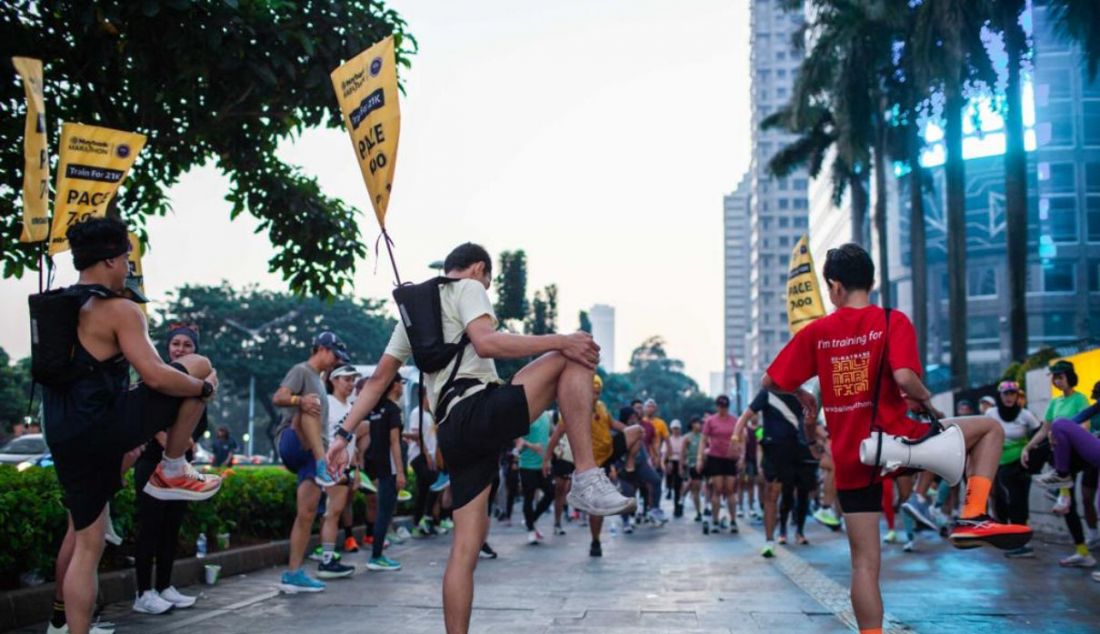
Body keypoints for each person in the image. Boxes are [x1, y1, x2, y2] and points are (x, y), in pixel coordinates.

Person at [326, 243, 634, 634]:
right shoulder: (469, 287)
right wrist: (561, 339)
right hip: (476, 410)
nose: (485, 289)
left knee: (464, 550)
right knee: (575, 355)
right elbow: (487, 342)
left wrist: (341, 434)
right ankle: (586, 475)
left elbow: (376, 383)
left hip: (453, 432)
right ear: (478, 269)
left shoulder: (411, 318)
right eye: (487, 280)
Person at [762, 243, 1030, 634]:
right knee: (989, 428)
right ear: (870, 281)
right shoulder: (891, 320)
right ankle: (972, 514)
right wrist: (924, 401)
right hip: (900, 440)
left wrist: (802, 394)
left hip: (853, 456)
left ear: (834, 287)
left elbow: (770, 381)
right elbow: (904, 378)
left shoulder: (817, 332)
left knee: (864, 565)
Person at [42, 218, 222, 634]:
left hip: (64, 434)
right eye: (125, 257)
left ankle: (67, 627)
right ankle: (173, 468)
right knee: (199, 365)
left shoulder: (62, 306)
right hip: (103, 426)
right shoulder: (121, 309)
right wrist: (202, 388)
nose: (127, 266)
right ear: (110, 259)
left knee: (87, 544)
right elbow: (157, 376)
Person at [131, 324, 209, 615]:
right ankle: (143, 593)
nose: (180, 349)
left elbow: (200, 421)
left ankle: (164, 586)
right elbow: (146, 421)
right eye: (176, 344)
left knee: (170, 530)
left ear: (195, 351)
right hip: (152, 465)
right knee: (149, 530)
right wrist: (167, 439)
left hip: (180, 466)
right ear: (168, 348)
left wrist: (189, 439)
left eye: (187, 346)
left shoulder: (194, 386)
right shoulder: (155, 379)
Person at [273, 331, 350, 593]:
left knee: (306, 514)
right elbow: (279, 397)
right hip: (296, 441)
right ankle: (321, 463)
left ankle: (293, 573)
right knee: (311, 403)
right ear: (321, 348)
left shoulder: (319, 379)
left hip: (315, 450)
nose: (336, 361)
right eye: (335, 355)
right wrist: (299, 399)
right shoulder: (302, 371)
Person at [544, 375, 644, 557]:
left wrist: (626, 431)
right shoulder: (574, 409)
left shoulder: (602, 407)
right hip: (590, 462)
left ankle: (629, 467)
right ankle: (595, 540)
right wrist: (546, 459)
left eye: (598, 393)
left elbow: (613, 424)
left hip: (609, 450)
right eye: (593, 393)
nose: (595, 396)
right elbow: (556, 435)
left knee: (638, 430)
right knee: (597, 507)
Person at [1022, 360, 1095, 567]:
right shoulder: (1055, 403)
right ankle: (1082, 551)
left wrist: (1064, 436)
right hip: (1061, 456)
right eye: (1054, 378)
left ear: (1069, 378)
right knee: (1068, 507)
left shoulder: (1080, 399)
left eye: (1060, 377)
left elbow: (1085, 426)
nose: (1057, 381)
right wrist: (1027, 448)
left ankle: (1059, 489)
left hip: (1078, 453)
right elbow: (1044, 430)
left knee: (1058, 438)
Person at [735, 388, 816, 556]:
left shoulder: (802, 394)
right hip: (775, 450)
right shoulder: (766, 393)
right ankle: (770, 541)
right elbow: (745, 416)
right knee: (773, 495)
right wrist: (735, 436)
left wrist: (815, 443)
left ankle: (799, 531)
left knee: (802, 494)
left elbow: (811, 422)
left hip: (800, 449)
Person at [986, 381, 1042, 558]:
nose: (1009, 397)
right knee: (1001, 500)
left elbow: (1040, 433)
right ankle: (1010, 537)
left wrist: (1030, 453)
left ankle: (1022, 544)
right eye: (1006, 394)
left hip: (1020, 464)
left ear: (1017, 396)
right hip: (996, 463)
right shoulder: (991, 413)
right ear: (999, 396)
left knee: (1019, 502)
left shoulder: (1025, 415)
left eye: (1012, 394)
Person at [364, 375, 407, 571]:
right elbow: (394, 442)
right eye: (402, 383)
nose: (403, 387)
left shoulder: (375, 410)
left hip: (378, 465)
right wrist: (400, 471)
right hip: (389, 467)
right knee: (384, 513)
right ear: (395, 385)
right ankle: (376, 556)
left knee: (382, 511)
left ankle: (376, 553)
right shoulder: (392, 410)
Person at [326, 365, 362, 554]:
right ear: (333, 380)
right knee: (332, 513)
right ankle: (327, 557)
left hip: (346, 468)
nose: (351, 384)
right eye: (346, 379)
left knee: (338, 510)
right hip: (328, 467)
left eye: (353, 380)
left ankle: (329, 553)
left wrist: (356, 471)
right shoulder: (326, 403)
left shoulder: (352, 408)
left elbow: (352, 443)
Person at [698, 395, 740, 535]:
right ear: (717, 406)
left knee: (730, 489)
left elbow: (741, 439)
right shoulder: (710, 421)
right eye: (720, 406)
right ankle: (715, 521)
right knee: (717, 489)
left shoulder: (734, 420)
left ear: (728, 406)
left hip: (730, 458)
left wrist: (741, 456)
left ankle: (733, 520)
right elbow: (703, 440)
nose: (723, 409)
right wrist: (700, 458)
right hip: (715, 458)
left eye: (725, 406)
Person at [409, 387, 443, 538]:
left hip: (428, 456)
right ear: (424, 396)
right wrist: (427, 455)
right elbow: (416, 435)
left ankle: (420, 522)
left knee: (424, 490)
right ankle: (426, 518)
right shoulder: (417, 413)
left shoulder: (428, 415)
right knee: (434, 482)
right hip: (418, 455)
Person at [517, 411, 554, 544]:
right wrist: (531, 446)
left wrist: (554, 450)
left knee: (551, 492)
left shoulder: (546, 416)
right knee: (529, 496)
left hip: (543, 464)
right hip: (527, 464)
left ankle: (532, 519)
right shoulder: (527, 415)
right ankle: (531, 529)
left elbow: (551, 435)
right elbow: (517, 439)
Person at [549, 412, 575, 535]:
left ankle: (568, 512)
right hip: (561, 458)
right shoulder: (556, 415)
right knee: (560, 491)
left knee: (568, 490)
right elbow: (554, 434)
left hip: (574, 458)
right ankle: (557, 522)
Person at [683, 417, 706, 522]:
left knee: (709, 486)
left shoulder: (704, 437)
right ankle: (698, 512)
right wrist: (682, 465)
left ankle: (708, 506)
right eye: (697, 423)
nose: (699, 425)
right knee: (696, 488)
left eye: (700, 423)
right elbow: (683, 453)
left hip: (705, 464)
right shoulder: (687, 437)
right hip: (693, 464)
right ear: (692, 424)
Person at [665, 420, 687, 517]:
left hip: (681, 463)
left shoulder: (683, 439)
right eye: (674, 429)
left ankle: (679, 506)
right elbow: (665, 453)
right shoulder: (668, 440)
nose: (676, 430)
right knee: (673, 485)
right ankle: (669, 491)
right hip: (671, 462)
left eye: (677, 428)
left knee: (679, 486)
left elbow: (686, 452)